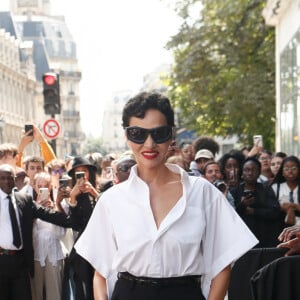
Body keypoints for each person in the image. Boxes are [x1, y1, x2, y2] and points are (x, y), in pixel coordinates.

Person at [74, 92, 258, 300]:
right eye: (138, 133)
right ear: (126, 136)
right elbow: (100, 272)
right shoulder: (111, 200)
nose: (149, 143)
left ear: (171, 135)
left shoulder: (202, 193)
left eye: (159, 133)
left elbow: (223, 265)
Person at [0, 164, 70, 300]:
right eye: (2, 178)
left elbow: (49, 215)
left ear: (15, 179)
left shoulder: (24, 199)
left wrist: (71, 215)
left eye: (9, 178)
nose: (6, 182)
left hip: (20, 262)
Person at [61, 156, 100, 300]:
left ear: (90, 172)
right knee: (84, 289)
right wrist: (72, 199)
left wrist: (94, 193)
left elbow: (108, 213)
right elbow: (75, 225)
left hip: (102, 246)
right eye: (78, 173)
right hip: (84, 248)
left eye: (84, 171)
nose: (82, 175)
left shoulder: (101, 190)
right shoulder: (75, 195)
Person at [231, 157, 284, 247]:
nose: (250, 173)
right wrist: (242, 205)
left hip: (265, 239)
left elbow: (275, 212)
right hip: (242, 240)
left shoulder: (266, 189)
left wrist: (254, 211)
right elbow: (231, 216)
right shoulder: (235, 192)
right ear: (242, 173)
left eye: (253, 170)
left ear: (259, 172)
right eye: (247, 170)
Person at [31, 172, 66, 300]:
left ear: (50, 187)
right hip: (36, 256)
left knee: (55, 294)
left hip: (54, 255)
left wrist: (53, 212)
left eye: (46, 185)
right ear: (34, 186)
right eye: (39, 185)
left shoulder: (58, 204)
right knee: (36, 294)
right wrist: (37, 213)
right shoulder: (29, 205)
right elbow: (30, 236)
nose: (42, 188)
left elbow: (60, 234)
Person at [271, 156, 300, 226]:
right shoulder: (275, 188)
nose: (290, 171)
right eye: (286, 169)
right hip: (280, 227)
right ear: (282, 172)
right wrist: (281, 207)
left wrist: (296, 207)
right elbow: (269, 209)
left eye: (294, 168)